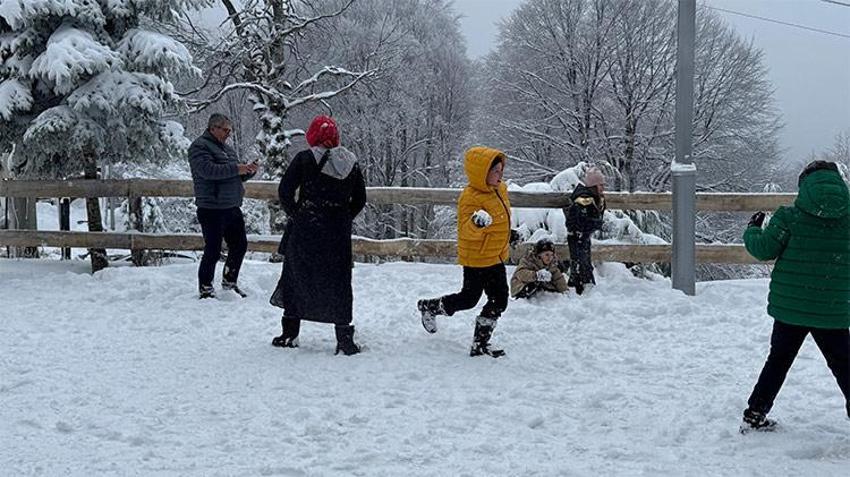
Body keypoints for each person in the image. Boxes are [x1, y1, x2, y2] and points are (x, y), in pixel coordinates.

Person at [740, 160, 850, 433]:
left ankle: (756, 411)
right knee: (845, 365)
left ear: (804, 185)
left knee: (778, 360)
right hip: (833, 308)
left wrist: (753, 229)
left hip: (791, 308)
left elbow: (764, 249)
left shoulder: (789, 217)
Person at [269, 115, 367, 356]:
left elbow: (284, 192)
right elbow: (360, 199)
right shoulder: (350, 162)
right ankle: (344, 338)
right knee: (339, 281)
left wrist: (297, 214)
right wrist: (342, 218)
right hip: (337, 233)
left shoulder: (304, 159)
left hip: (306, 229)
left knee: (296, 277)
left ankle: (289, 334)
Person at [417, 147, 511, 358]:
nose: (500, 174)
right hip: (477, 259)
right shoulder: (470, 197)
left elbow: (499, 220)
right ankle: (430, 307)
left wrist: (509, 234)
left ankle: (480, 343)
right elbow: (466, 231)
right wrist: (476, 224)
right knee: (469, 299)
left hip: (495, 256)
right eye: (496, 170)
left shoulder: (500, 190)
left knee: (500, 300)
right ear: (482, 172)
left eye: (501, 169)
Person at [188, 113, 257, 299]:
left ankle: (229, 281)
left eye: (230, 131)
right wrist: (237, 169)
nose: (228, 134)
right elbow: (208, 171)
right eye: (225, 130)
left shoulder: (227, 150)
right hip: (211, 207)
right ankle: (205, 287)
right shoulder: (199, 147)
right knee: (213, 248)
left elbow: (234, 175)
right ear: (213, 128)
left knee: (240, 245)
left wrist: (248, 172)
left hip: (232, 206)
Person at [564, 167, 606, 295]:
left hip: (583, 236)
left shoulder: (594, 198)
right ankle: (581, 286)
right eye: (600, 185)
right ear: (593, 186)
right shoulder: (583, 200)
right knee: (580, 261)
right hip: (578, 235)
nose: (603, 188)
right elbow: (579, 222)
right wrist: (597, 224)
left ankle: (582, 284)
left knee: (583, 260)